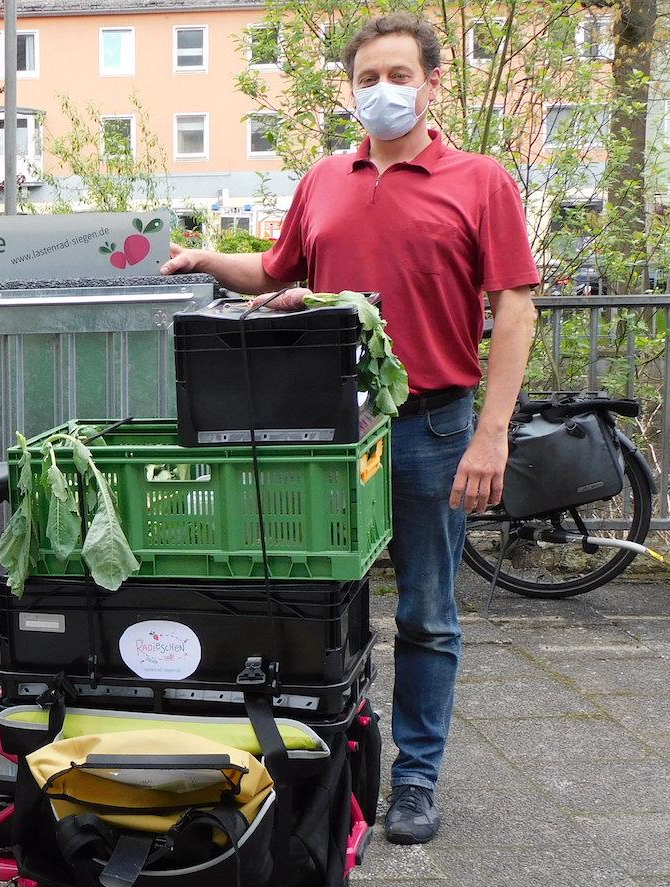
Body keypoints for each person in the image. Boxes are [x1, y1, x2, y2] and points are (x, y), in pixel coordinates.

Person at [162, 13, 539, 845]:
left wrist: (493, 433)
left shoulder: (481, 182)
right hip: (325, 434)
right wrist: (202, 260)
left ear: (432, 83)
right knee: (308, 605)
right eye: (367, 78)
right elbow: (274, 270)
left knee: (427, 614)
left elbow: (515, 308)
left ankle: (414, 781)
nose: (381, 92)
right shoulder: (325, 178)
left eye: (397, 75)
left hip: (432, 428)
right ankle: (317, 764)